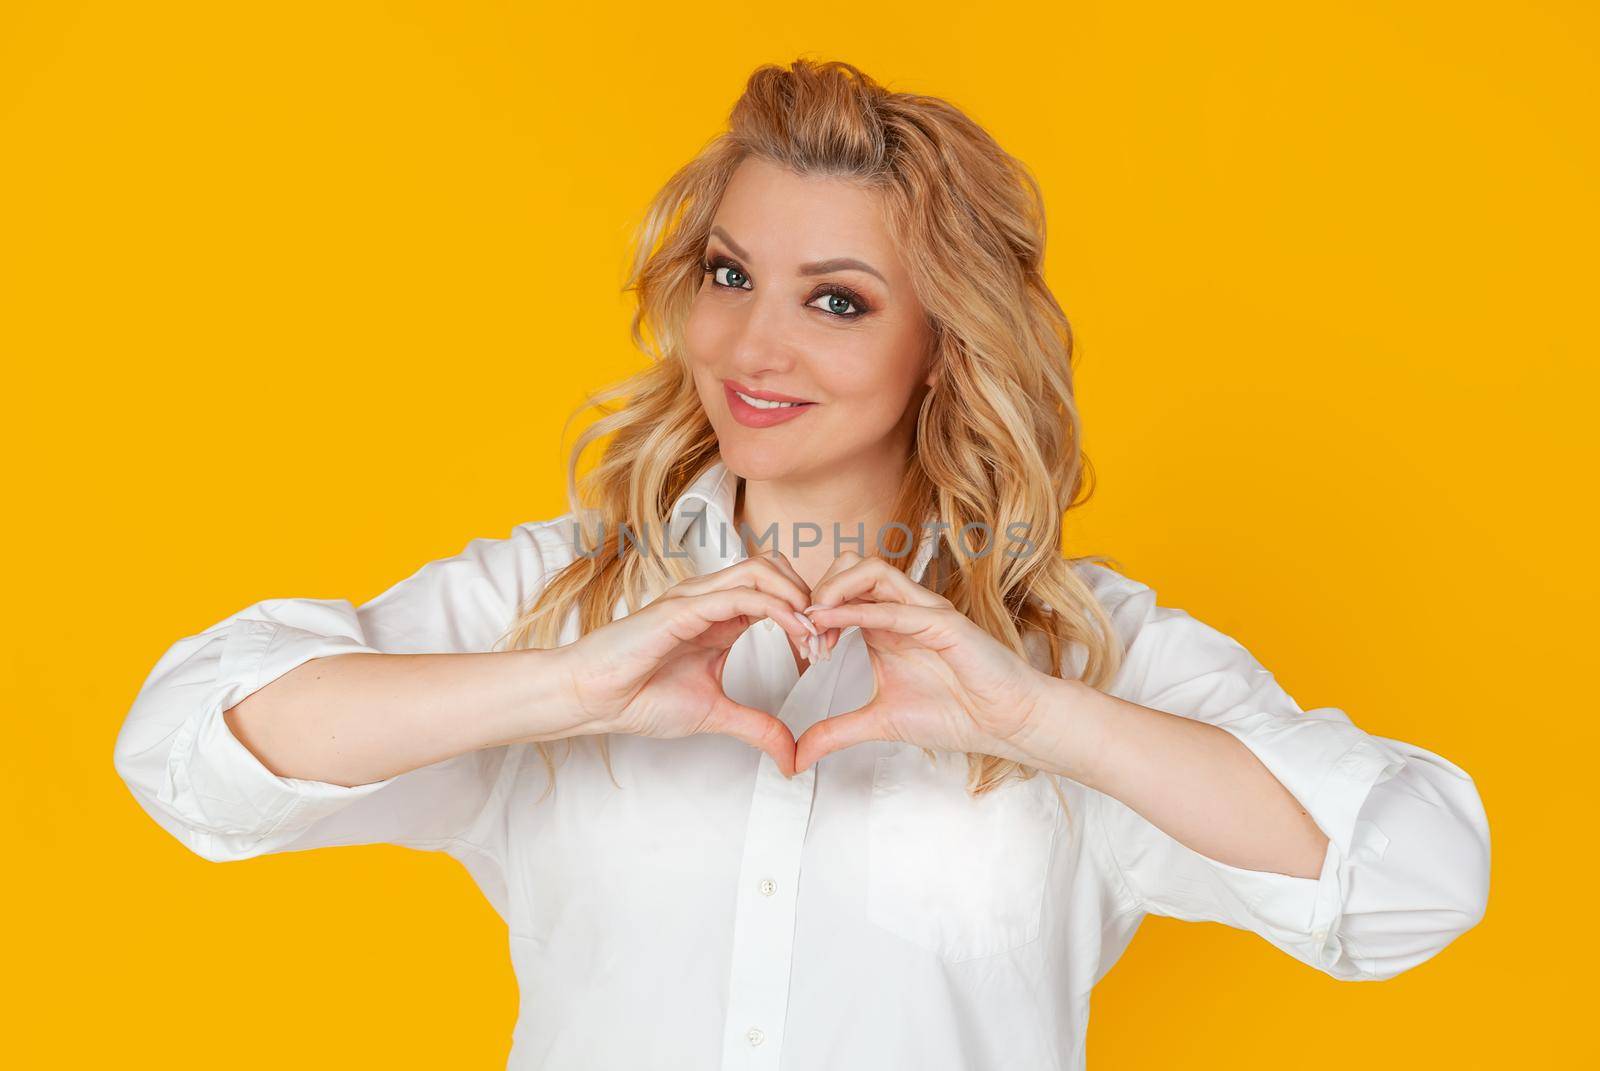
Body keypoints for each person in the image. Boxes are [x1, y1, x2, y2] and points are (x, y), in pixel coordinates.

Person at [112, 58, 1490, 1070]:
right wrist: (565, 692)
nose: (751, 348)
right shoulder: (562, 601)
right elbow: (187, 747)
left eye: (837, 300)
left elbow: (1417, 880)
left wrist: (1038, 720)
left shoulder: (1082, 651)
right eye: (727, 276)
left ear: (946, 340)